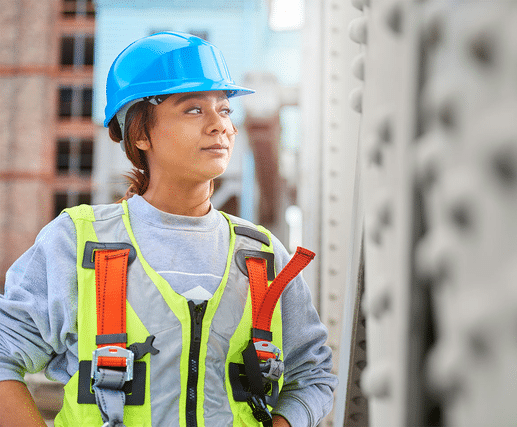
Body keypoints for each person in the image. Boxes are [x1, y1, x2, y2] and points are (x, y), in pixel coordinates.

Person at [0, 32, 337, 427]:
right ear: (140, 134)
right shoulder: (77, 242)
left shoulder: (263, 257)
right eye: (194, 110)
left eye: (225, 110)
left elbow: (313, 376)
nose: (220, 126)